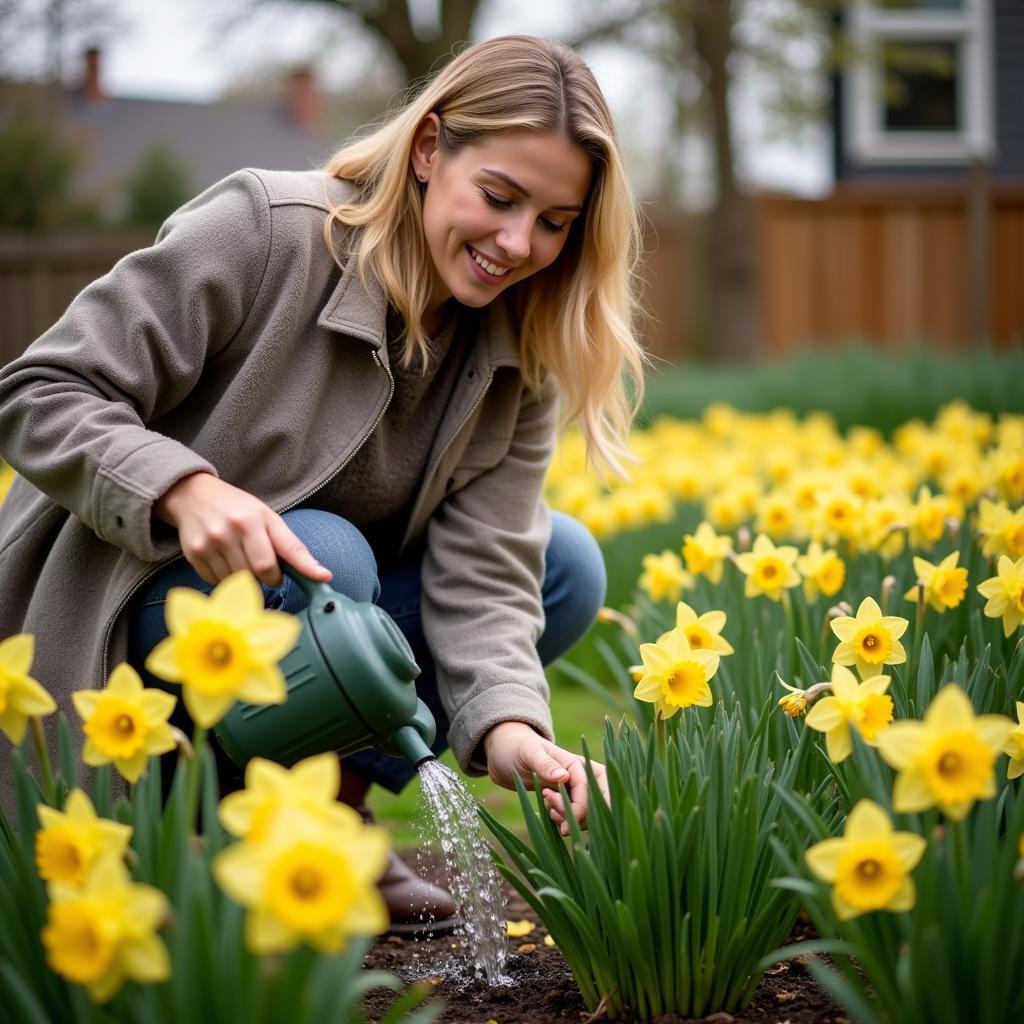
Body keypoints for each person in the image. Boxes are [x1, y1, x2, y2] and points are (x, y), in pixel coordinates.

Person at [0, 35, 645, 934]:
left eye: (554, 220)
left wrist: (510, 730)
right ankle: (227, 821)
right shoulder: (267, 231)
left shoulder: (520, 343)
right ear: (428, 150)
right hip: (136, 597)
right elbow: (39, 390)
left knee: (564, 565)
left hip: (315, 607)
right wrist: (179, 487)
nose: (517, 243)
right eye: (498, 197)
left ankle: (325, 812)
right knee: (328, 563)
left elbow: (489, 567)